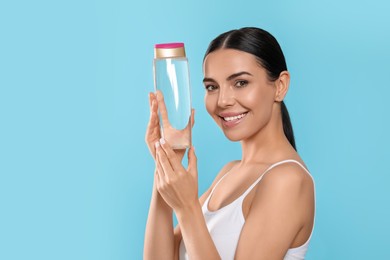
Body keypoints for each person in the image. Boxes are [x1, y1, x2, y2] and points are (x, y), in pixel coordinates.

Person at [144, 27, 315, 260]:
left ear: (280, 86)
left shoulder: (288, 180)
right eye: (212, 87)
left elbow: (188, 215)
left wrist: (187, 208)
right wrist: (165, 164)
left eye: (241, 83)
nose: (223, 101)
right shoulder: (229, 172)